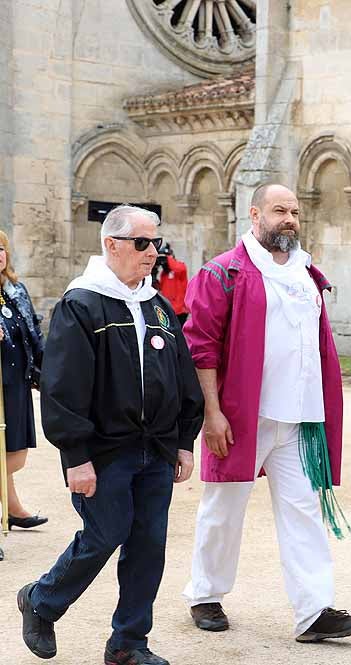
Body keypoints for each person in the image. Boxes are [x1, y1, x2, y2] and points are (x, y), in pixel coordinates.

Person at [17, 205, 204, 665]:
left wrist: (183, 439)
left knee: (148, 545)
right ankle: (41, 600)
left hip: (156, 449)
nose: (152, 252)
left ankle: (128, 644)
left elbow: (182, 377)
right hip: (105, 451)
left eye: (155, 242)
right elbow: (63, 387)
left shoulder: (158, 306)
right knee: (105, 533)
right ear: (111, 244)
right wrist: (76, 454)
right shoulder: (81, 304)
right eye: (141, 243)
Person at [182, 183, 351, 642]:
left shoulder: (307, 274)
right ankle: (205, 594)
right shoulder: (223, 272)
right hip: (244, 414)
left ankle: (314, 610)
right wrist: (212, 413)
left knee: (303, 510)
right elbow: (200, 348)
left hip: (301, 417)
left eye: (295, 212)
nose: (289, 219)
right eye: (279, 210)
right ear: (254, 214)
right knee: (224, 506)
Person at [0, 231, 47, 530]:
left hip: (16, 382)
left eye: (1, 248)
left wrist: (48, 373)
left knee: (14, 454)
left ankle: (13, 509)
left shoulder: (15, 289)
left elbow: (34, 335)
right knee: (8, 457)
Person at [153, 243, 189, 326]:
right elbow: (161, 288)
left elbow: (177, 268)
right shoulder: (164, 273)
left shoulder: (180, 267)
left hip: (180, 310)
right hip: (168, 309)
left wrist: (166, 258)